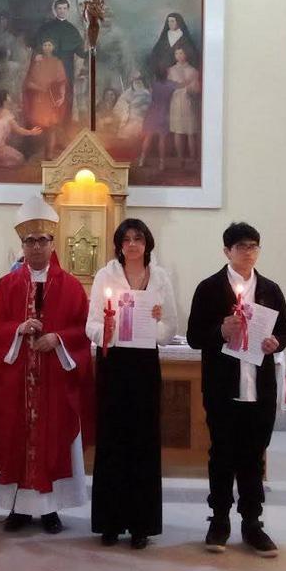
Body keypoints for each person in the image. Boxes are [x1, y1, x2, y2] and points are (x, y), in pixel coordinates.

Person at [0, 195, 92, 534]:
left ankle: (50, 510)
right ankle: (18, 508)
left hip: (54, 381)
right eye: (30, 241)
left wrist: (57, 338)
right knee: (18, 439)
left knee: (53, 441)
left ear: (53, 242)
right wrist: (18, 329)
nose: (37, 247)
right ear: (22, 245)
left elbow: (84, 329)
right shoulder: (9, 284)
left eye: (43, 240)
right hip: (18, 382)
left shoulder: (71, 286)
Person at [186, 222, 286, 556]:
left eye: (253, 246)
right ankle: (219, 519)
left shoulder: (270, 290)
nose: (248, 252)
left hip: (259, 388)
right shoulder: (209, 288)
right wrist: (220, 331)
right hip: (223, 387)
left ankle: (252, 522)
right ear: (227, 251)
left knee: (253, 457)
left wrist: (276, 342)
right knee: (221, 454)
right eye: (241, 246)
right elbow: (194, 337)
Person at [85, 219, 177, 549]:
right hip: (114, 363)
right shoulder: (105, 275)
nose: (133, 244)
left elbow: (170, 328)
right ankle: (109, 522)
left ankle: (141, 524)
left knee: (143, 441)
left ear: (147, 243)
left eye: (138, 238)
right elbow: (91, 325)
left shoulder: (160, 277)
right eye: (126, 240)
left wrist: (155, 322)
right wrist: (106, 330)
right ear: (119, 245)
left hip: (144, 364)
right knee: (112, 440)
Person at [22, 40, 68, 159]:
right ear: (42, 47)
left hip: (52, 98)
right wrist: (40, 88)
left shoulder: (57, 62)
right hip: (38, 99)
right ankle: (32, 152)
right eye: (45, 45)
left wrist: (62, 96)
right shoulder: (36, 62)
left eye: (49, 45)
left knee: (51, 126)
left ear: (53, 47)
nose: (47, 47)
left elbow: (62, 81)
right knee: (35, 124)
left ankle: (49, 154)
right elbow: (28, 82)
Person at [0, 90, 42, 170]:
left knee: (14, 157)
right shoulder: (6, 114)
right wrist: (32, 132)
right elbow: (18, 130)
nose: (10, 99)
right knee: (20, 159)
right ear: (4, 101)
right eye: (8, 97)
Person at [167, 46, 201, 167]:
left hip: (188, 103)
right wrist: (178, 86)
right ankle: (180, 158)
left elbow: (196, 89)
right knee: (178, 131)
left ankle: (193, 158)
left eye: (181, 53)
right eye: (177, 53)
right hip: (176, 103)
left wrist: (187, 88)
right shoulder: (171, 70)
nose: (179, 56)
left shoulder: (193, 70)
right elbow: (169, 86)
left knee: (191, 131)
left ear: (186, 54)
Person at [138, 67, 176, 169]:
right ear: (166, 75)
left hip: (152, 113)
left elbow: (150, 92)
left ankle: (142, 160)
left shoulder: (154, 85)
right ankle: (162, 163)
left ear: (156, 75)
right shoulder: (171, 85)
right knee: (162, 139)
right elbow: (180, 86)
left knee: (148, 137)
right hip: (163, 113)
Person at [149, 12, 199, 77]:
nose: (170, 23)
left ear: (178, 22)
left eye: (172, 21)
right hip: (162, 71)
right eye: (168, 21)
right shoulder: (164, 36)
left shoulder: (185, 38)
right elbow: (155, 53)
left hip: (178, 72)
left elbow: (192, 55)